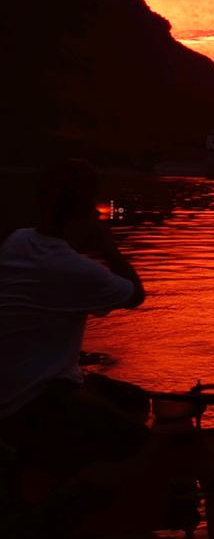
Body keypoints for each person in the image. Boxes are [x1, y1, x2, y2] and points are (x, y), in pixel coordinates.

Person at [0, 160, 149, 484]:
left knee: (132, 400)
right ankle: (63, 509)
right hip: (30, 401)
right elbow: (136, 295)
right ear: (84, 209)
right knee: (138, 442)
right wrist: (106, 245)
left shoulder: (16, 241)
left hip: (21, 385)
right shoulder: (75, 269)